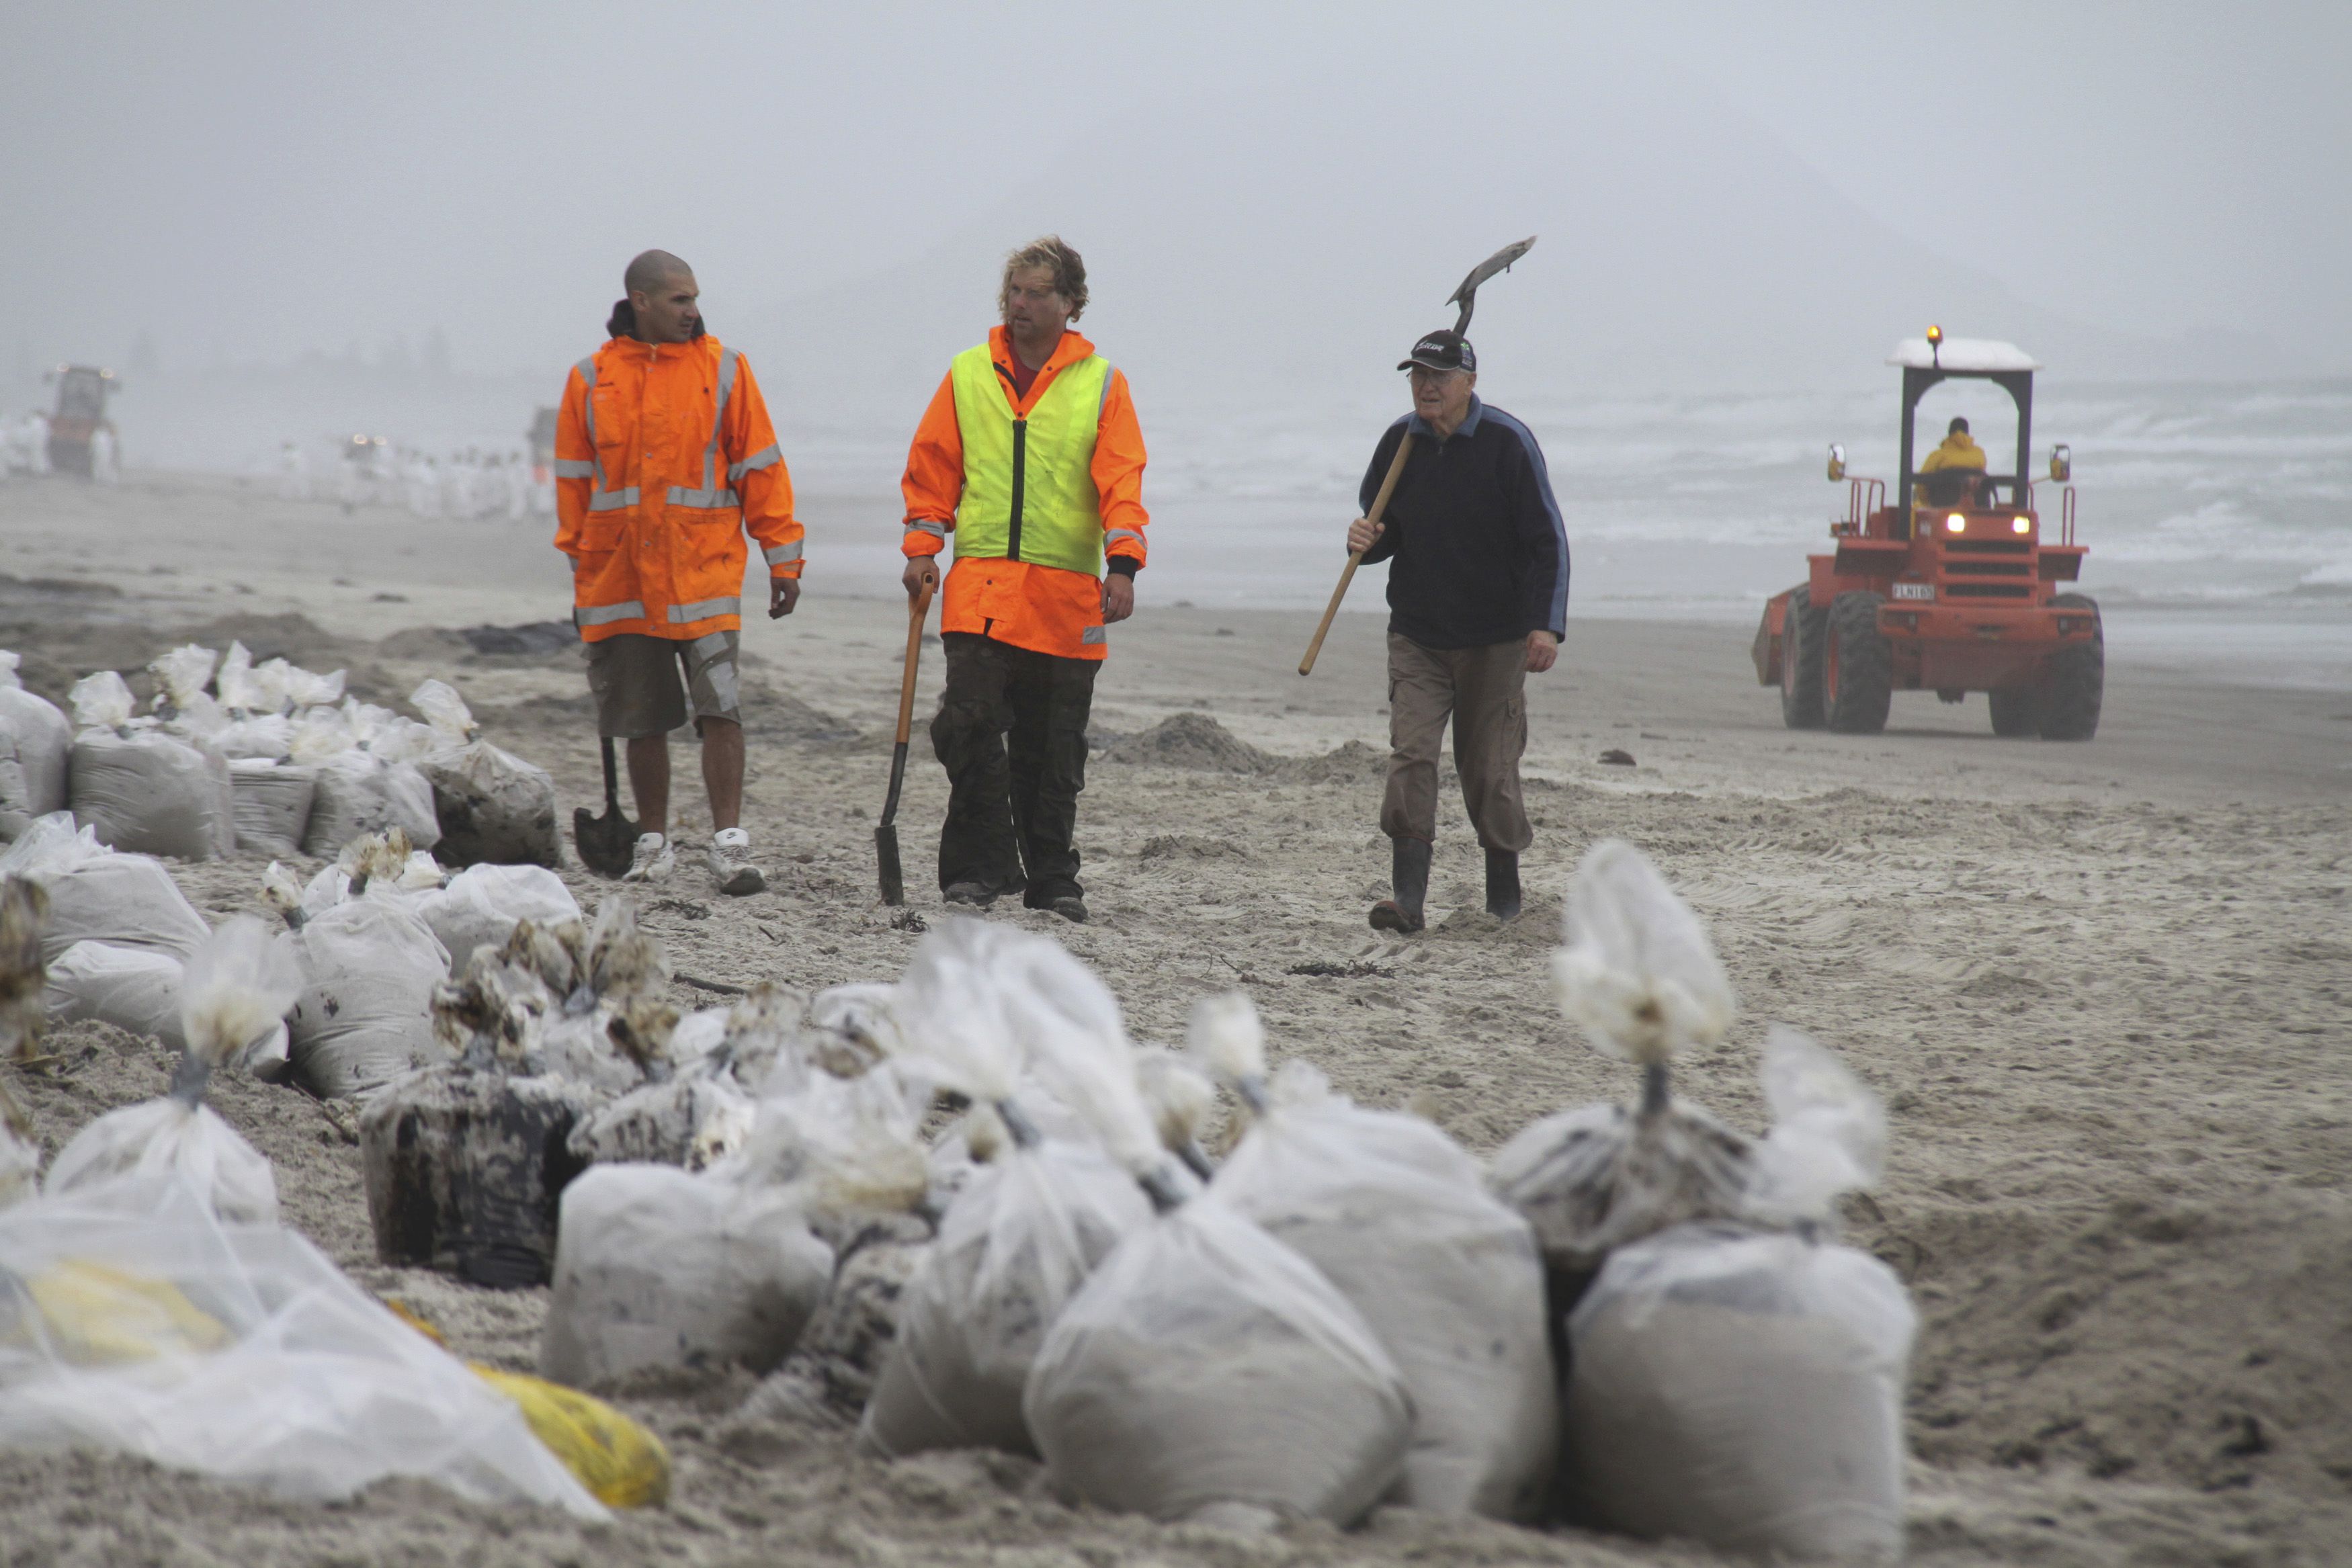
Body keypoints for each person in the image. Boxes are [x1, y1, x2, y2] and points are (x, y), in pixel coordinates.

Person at [898, 235, 1148, 924]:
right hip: (980, 586)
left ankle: (1051, 880)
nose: (1022, 305)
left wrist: (1123, 564)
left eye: (1038, 293)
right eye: (1014, 291)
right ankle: (977, 868)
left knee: (1053, 750)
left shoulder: (1102, 383)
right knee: (966, 724)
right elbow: (932, 468)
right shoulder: (968, 372)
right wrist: (922, 546)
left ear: (1071, 304)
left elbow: (1120, 481)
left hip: (1067, 594)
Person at [553, 249, 802, 894]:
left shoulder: (723, 370)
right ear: (640, 301)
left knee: (722, 710)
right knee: (641, 719)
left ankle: (729, 845)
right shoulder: (590, 380)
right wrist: (583, 577)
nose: (693, 311)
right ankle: (654, 844)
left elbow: (761, 468)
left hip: (705, 573)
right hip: (621, 583)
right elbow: (575, 491)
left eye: (694, 299)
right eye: (678, 300)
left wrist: (784, 557)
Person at [1347, 329, 1568, 932]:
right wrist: (1363, 541)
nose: (1426, 387)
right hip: (1417, 634)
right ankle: (1409, 902)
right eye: (1418, 376)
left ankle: (1503, 898)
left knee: (1489, 769)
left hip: (1495, 639)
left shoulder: (1507, 443)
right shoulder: (1400, 443)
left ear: (1470, 383)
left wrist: (1545, 626)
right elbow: (1381, 531)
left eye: (1439, 377)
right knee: (1410, 757)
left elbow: (1547, 541)